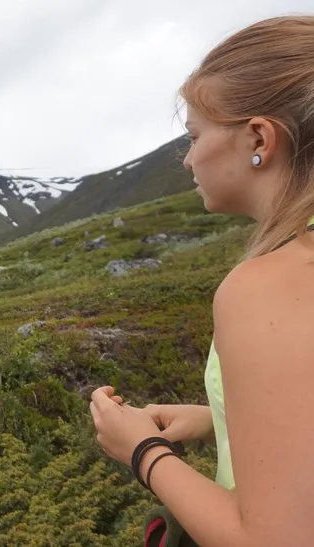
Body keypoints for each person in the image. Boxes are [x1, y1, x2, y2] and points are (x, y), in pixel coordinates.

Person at [89, 14, 314, 547]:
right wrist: (221, 417)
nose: (188, 159)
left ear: (259, 137)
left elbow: (277, 539)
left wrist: (143, 451)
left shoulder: (271, 284)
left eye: (194, 136)